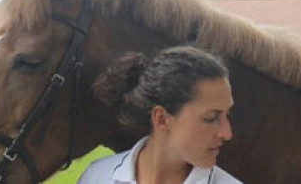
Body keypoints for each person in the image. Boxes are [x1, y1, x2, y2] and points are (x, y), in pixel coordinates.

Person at [79, 46, 241, 184]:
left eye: (227, 115)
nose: (227, 133)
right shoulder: (96, 177)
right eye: (211, 118)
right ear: (161, 119)